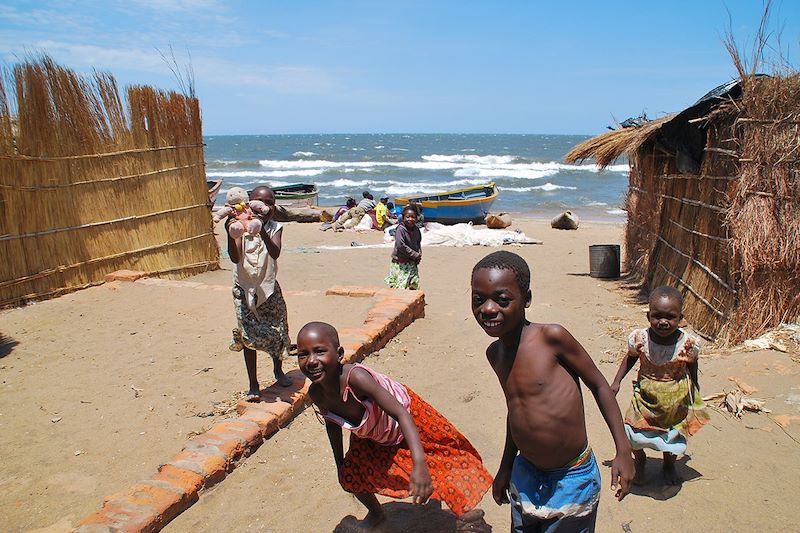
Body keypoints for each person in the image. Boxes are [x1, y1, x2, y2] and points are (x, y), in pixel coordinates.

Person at [470, 251, 634, 532]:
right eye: (478, 299)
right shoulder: (495, 354)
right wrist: (506, 466)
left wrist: (623, 450)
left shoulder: (551, 338)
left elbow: (598, 385)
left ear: (527, 299)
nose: (488, 308)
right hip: (526, 474)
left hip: (572, 476)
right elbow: (517, 410)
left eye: (502, 300)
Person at [296, 321, 492, 528]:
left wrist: (419, 465)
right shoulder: (317, 394)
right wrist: (339, 463)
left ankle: (465, 514)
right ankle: (376, 513)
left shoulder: (357, 379)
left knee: (442, 465)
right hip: (372, 431)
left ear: (339, 354)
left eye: (319, 351)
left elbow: (401, 413)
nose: (311, 361)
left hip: (409, 419)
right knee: (350, 475)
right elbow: (332, 424)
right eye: (303, 354)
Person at [610, 285, 709, 486]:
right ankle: (640, 459)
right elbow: (630, 358)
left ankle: (669, 464)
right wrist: (616, 381)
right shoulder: (640, 338)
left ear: (681, 317)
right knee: (632, 432)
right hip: (645, 398)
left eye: (670, 317)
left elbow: (692, 364)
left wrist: (695, 386)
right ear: (648, 316)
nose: (663, 322)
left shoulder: (688, 343)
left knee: (671, 435)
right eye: (657, 316)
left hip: (675, 399)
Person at [226, 185, 293, 400]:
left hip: (269, 288)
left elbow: (275, 252)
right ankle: (253, 383)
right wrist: (232, 232)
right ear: (247, 203)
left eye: (270, 202)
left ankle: (278, 370)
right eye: (259, 201)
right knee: (247, 337)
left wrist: (260, 229)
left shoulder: (275, 227)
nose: (265, 206)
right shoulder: (237, 227)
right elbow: (235, 258)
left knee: (277, 330)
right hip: (244, 289)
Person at [385, 205, 421, 290]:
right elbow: (400, 245)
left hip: (411, 262)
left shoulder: (416, 230)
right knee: (400, 286)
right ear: (403, 217)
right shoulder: (400, 229)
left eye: (413, 217)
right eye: (408, 217)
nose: (410, 219)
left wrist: (419, 255)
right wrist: (414, 254)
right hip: (401, 262)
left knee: (414, 283)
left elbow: (418, 243)